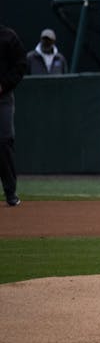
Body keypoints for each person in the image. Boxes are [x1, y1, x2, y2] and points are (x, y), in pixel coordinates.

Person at [0, 24, 27, 206]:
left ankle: (10, 192)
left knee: (4, 141)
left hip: (3, 97)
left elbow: (21, 64)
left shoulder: (8, 36)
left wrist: (4, 85)